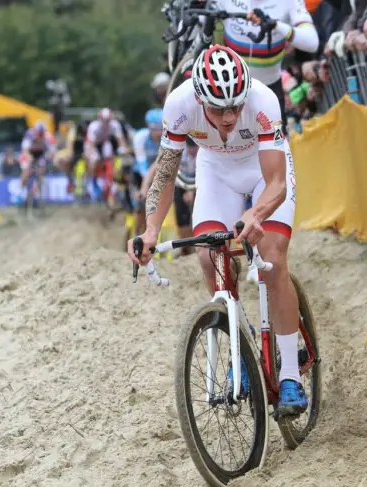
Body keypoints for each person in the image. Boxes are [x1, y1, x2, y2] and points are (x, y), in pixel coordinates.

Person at [127, 45, 307, 415]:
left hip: (263, 173)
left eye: (235, 107)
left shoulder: (263, 100)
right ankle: (240, 341)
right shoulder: (178, 105)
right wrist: (149, 231)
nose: (228, 118)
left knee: (272, 257)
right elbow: (165, 173)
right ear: (198, 98)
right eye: (217, 109)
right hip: (216, 171)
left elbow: (276, 182)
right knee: (209, 256)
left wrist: (256, 213)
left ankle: (290, 375)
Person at [221, 0, 319, 136]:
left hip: (269, 90)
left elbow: (312, 42)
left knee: (276, 150)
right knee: (227, 149)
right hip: (228, 88)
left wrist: (277, 25)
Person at [85, 108, 129, 201]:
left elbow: (121, 140)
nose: (106, 123)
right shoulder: (94, 126)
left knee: (114, 156)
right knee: (94, 159)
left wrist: (123, 149)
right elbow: (90, 145)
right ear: (100, 119)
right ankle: (92, 180)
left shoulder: (115, 125)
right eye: (104, 121)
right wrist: (93, 155)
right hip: (93, 144)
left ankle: (112, 179)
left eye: (107, 121)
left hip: (106, 142)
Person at [132, 109, 163, 234]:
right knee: (141, 202)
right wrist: (146, 184)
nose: (159, 133)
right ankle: (136, 231)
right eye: (155, 129)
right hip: (141, 173)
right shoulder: (140, 137)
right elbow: (141, 162)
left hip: (159, 173)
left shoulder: (166, 138)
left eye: (161, 129)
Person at [20, 120, 56, 202]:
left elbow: (52, 151)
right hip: (29, 153)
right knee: (26, 172)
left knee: (40, 172)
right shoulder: (29, 134)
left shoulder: (48, 136)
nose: (40, 135)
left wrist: (47, 158)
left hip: (40, 155)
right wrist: (30, 159)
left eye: (41, 133)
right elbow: (25, 150)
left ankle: (34, 194)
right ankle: (21, 192)